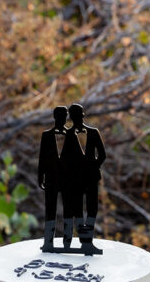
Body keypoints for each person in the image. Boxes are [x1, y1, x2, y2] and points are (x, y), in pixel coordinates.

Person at [64, 102, 106, 254]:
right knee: (78, 211)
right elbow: (66, 159)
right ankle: (83, 241)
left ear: (82, 116)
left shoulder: (93, 132)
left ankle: (88, 241)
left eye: (79, 116)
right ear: (71, 117)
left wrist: (94, 166)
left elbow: (102, 154)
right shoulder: (68, 135)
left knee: (92, 209)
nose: (77, 118)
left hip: (92, 177)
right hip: (76, 179)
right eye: (74, 116)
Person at [38, 105, 74, 251]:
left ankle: (67, 242)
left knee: (68, 211)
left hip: (67, 180)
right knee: (50, 211)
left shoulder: (72, 135)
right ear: (54, 117)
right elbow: (42, 159)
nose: (62, 119)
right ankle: (48, 241)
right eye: (59, 116)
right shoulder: (46, 136)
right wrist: (41, 177)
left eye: (64, 116)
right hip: (51, 179)